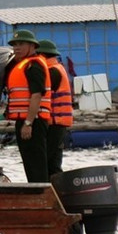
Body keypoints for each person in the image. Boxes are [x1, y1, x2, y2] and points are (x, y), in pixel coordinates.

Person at [5, 29, 52, 183]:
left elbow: (37, 94)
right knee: (29, 162)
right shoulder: (20, 65)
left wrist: (28, 123)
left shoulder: (34, 65)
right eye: (14, 45)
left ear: (32, 46)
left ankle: (41, 195)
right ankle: (35, 192)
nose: (16, 48)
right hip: (24, 121)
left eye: (21, 44)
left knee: (36, 163)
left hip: (34, 121)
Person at [38, 39, 73, 177]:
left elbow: (39, 92)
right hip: (59, 122)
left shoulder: (52, 72)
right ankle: (57, 189)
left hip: (54, 121)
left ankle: (48, 189)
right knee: (53, 162)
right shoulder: (58, 69)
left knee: (46, 158)